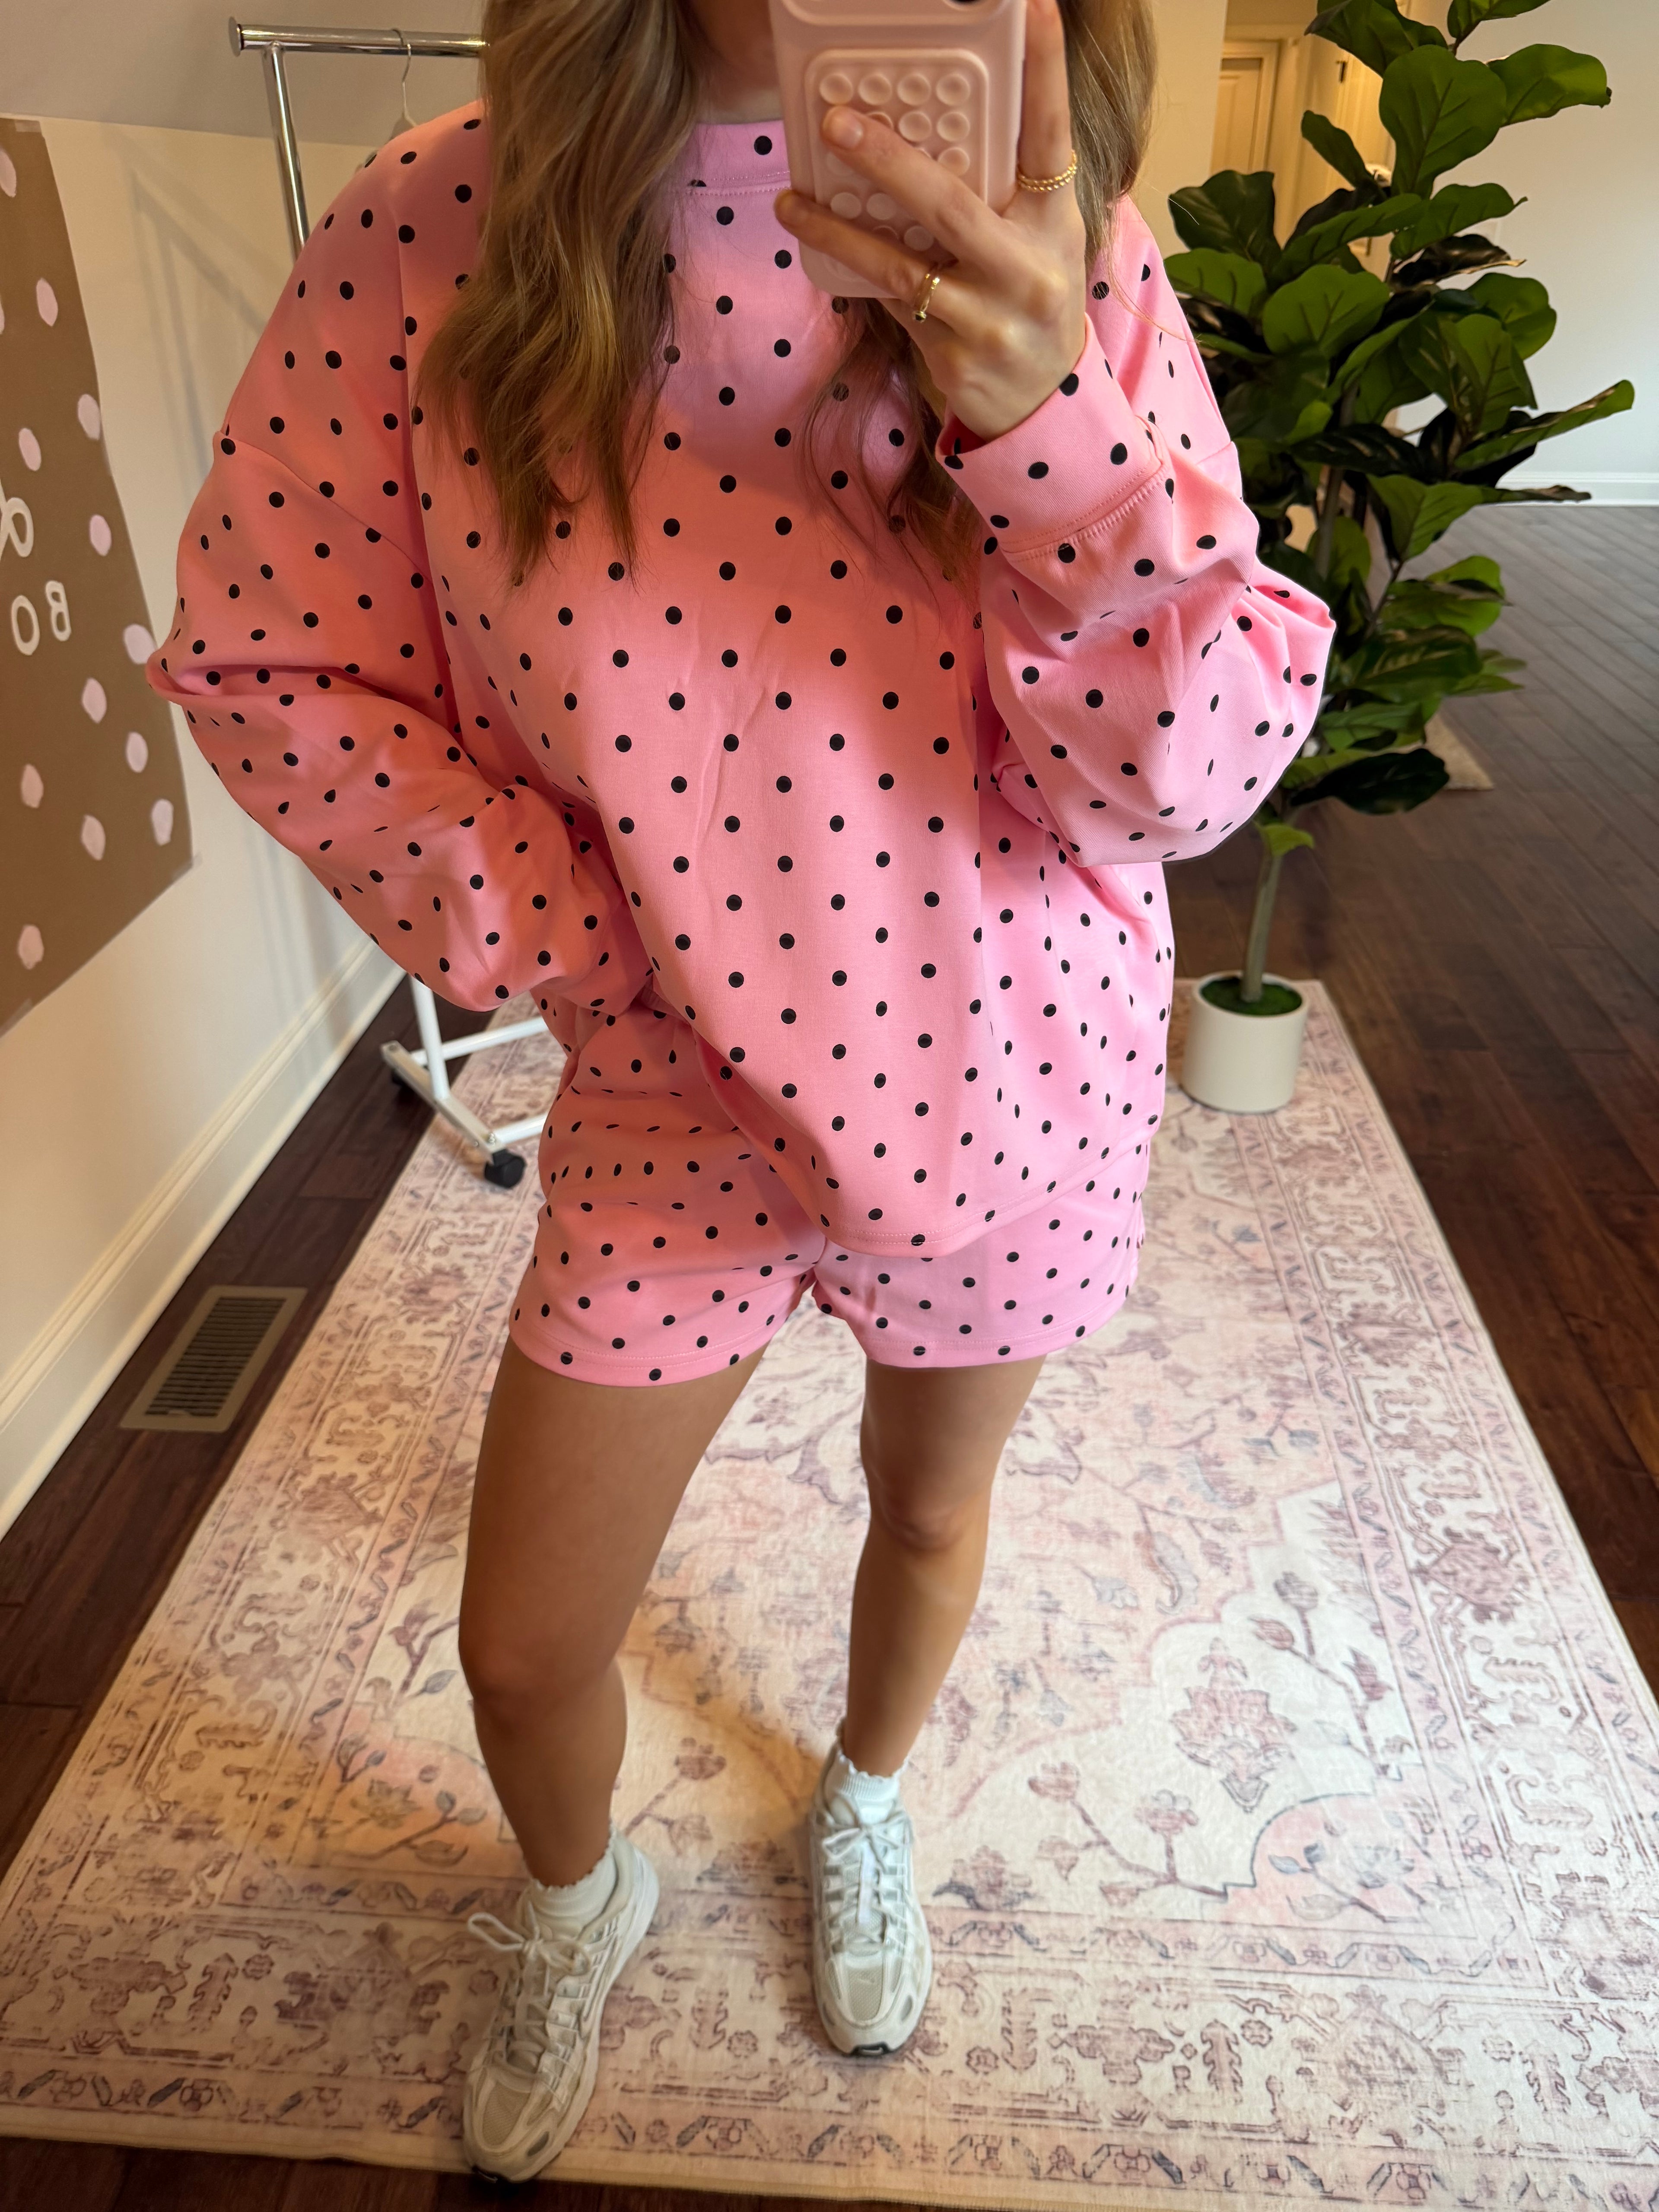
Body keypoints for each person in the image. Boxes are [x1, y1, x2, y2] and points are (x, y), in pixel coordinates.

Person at [147, 0, 1334, 2181]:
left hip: (1016, 1057)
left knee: (931, 1509)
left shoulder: (1059, 240)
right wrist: (567, 920)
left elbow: (1194, 773)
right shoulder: (439, 228)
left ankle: (865, 1791)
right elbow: (268, 653)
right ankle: (575, 1887)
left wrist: (1046, 418)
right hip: (675, 1078)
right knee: (523, 1646)